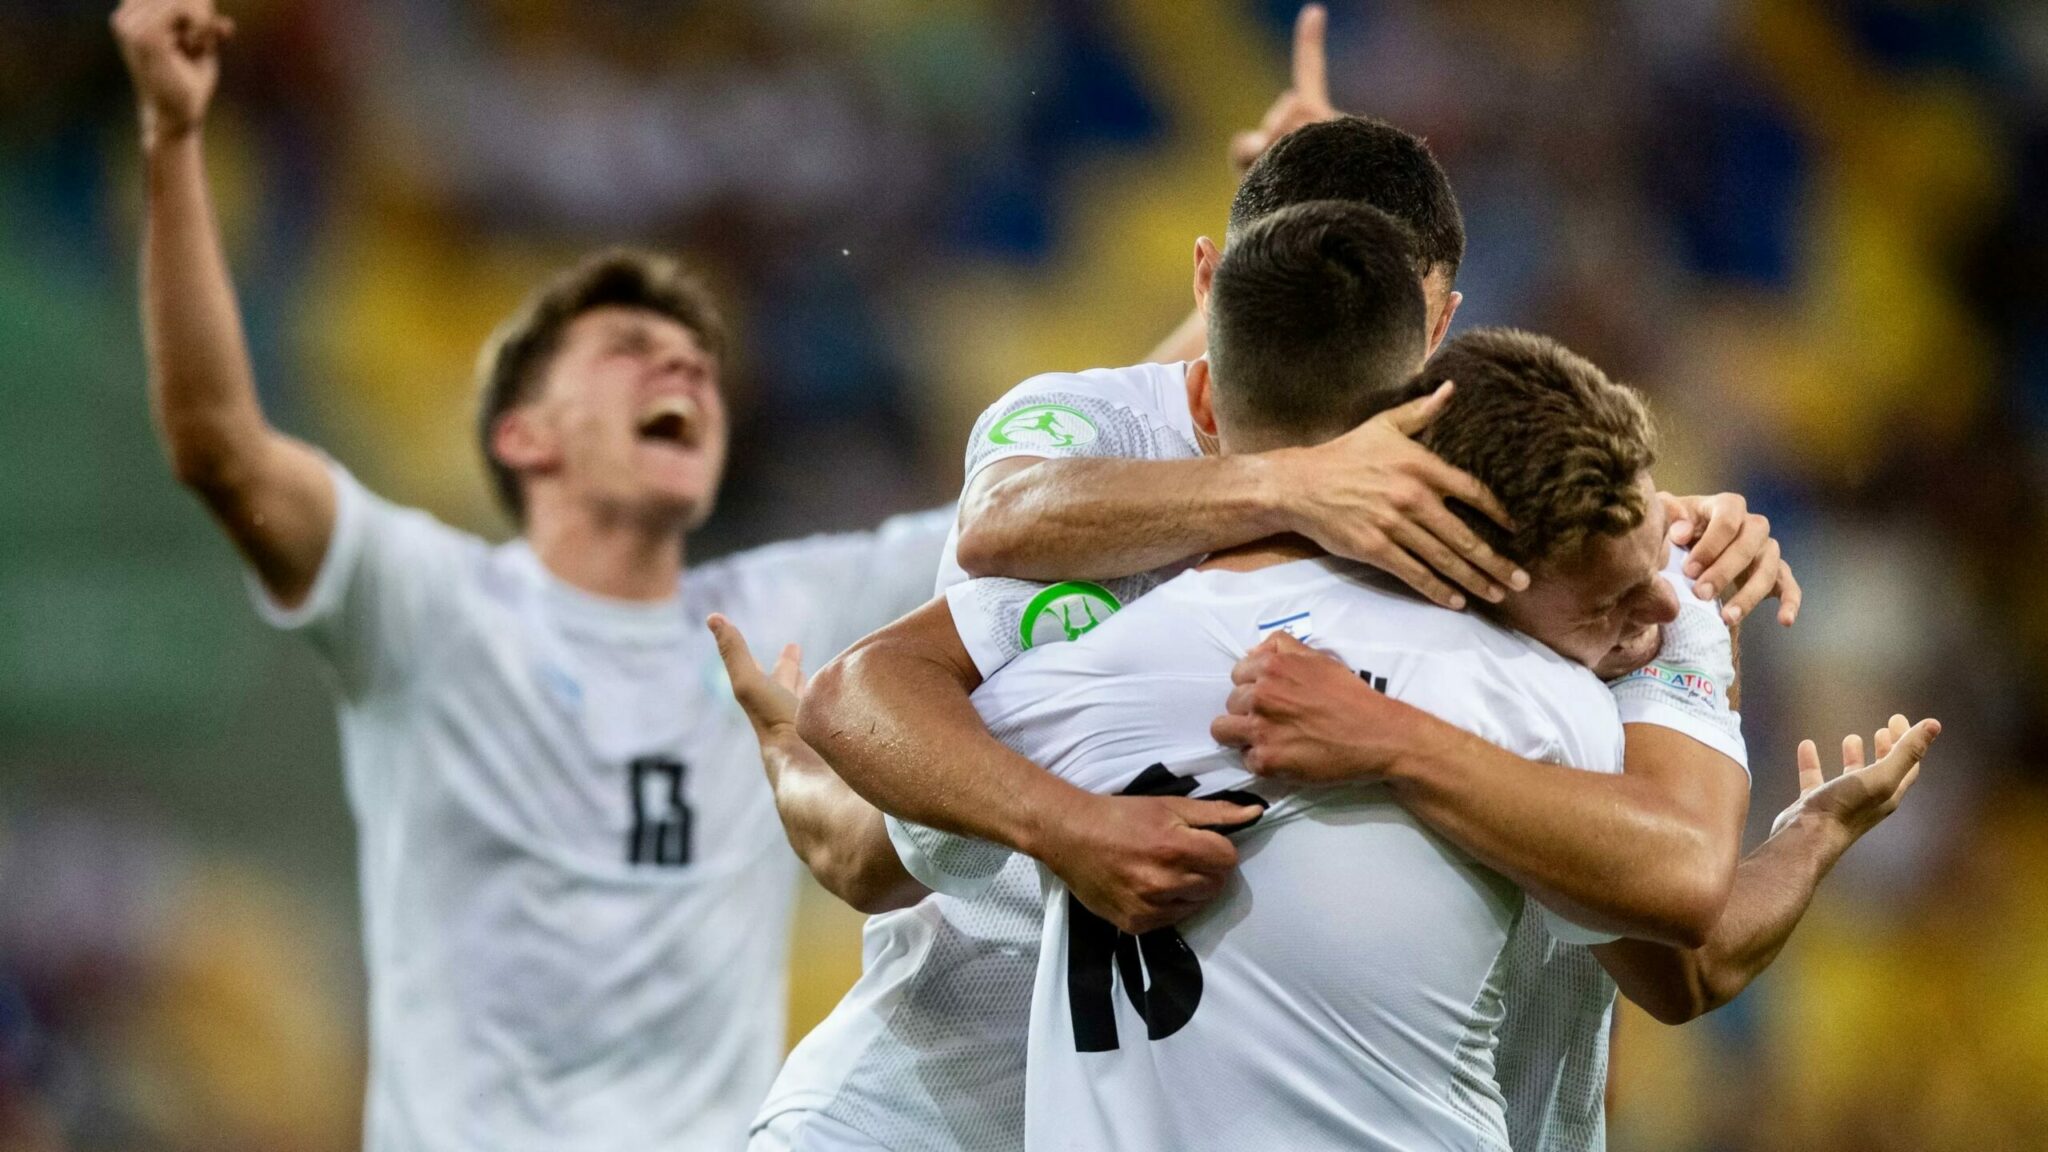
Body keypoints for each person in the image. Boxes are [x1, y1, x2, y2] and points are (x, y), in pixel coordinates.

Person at [896, 207, 1938, 1151]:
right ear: (1485, 569)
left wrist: (1054, 821)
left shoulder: (1124, 645)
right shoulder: (1531, 698)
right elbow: (1687, 923)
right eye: (1613, 599)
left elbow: (859, 761)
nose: (1662, 611)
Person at [111, 3, 955, 1147]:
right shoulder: (428, 605)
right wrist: (171, 140)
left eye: (696, 358)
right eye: (625, 350)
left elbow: (1045, 479)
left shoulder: (785, 608)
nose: (680, 368)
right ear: (523, 435)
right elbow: (217, 444)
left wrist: (1257, 255)